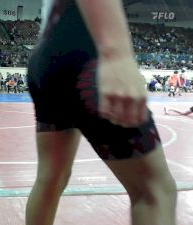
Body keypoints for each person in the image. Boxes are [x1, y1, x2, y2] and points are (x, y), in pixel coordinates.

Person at [25, 1, 177, 225]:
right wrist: (117, 53)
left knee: (51, 179)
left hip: (45, 58)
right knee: (154, 193)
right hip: (85, 51)